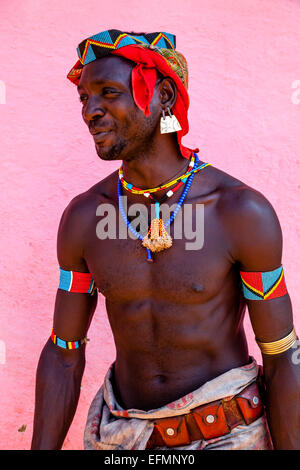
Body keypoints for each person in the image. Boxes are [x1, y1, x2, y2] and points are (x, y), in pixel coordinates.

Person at [31, 29, 299, 450]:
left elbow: (282, 355)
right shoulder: (85, 218)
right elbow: (64, 351)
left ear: (166, 97)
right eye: (84, 97)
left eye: (109, 92)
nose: (90, 111)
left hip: (227, 434)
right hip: (120, 439)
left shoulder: (240, 213)